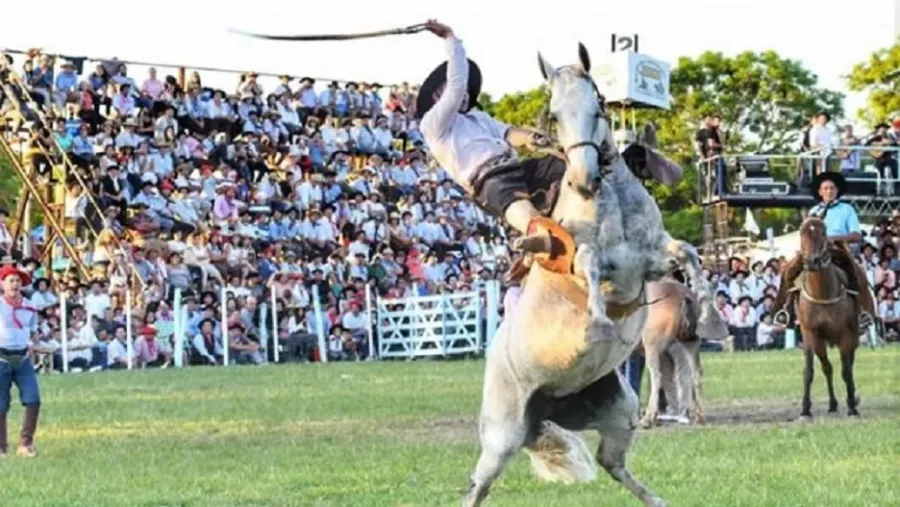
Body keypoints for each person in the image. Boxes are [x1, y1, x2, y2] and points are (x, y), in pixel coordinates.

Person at [416, 19, 562, 269]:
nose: (463, 95)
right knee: (516, 205)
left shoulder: (479, 118)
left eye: (466, 93)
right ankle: (533, 236)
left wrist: (531, 138)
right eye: (453, 92)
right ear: (436, 97)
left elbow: (508, 133)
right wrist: (451, 39)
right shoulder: (433, 125)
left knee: (564, 163)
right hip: (488, 179)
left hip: (516, 166)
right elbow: (457, 85)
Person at [771, 171, 875, 329]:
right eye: (825, 188)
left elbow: (856, 235)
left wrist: (832, 239)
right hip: (813, 250)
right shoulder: (813, 212)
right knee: (788, 270)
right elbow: (805, 234)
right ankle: (784, 310)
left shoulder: (847, 209)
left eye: (832, 188)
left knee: (856, 271)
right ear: (820, 192)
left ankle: (861, 312)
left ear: (837, 190)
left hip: (838, 249)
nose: (829, 191)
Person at [0, 263, 41, 458]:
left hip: (23, 359)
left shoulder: (30, 307)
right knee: (0, 404)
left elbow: (33, 332)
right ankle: (1, 447)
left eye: (18, 281)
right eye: (11, 281)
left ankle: (26, 444)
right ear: (2, 284)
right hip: (1, 359)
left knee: (33, 399)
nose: (15, 284)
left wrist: (33, 343)